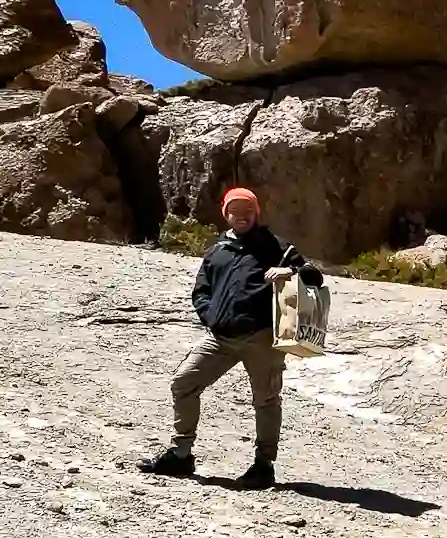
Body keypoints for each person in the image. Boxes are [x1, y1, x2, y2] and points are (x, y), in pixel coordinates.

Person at [138, 187, 322, 491]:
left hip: (261, 338)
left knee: (266, 400)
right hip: (221, 337)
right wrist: (211, 316)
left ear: (256, 213)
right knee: (183, 383)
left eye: (247, 210)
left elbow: (314, 275)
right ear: (226, 214)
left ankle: (264, 466)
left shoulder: (274, 244)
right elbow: (201, 290)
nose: (241, 216)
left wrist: (288, 272)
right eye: (235, 211)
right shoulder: (219, 249)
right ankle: (181, 453)